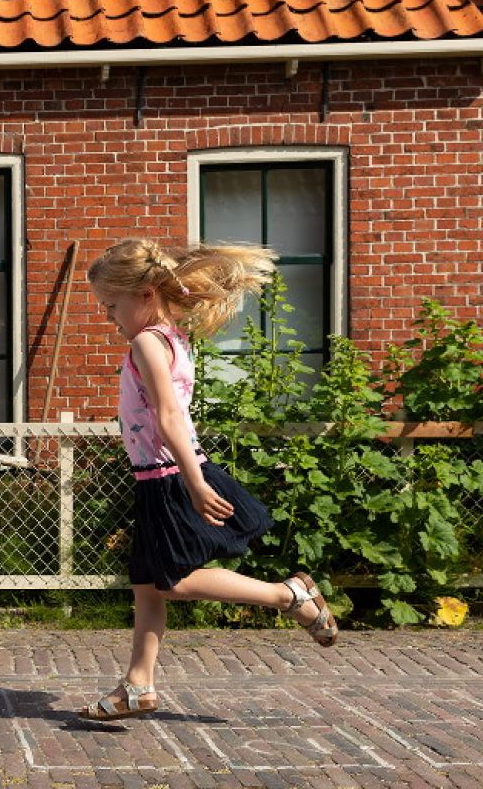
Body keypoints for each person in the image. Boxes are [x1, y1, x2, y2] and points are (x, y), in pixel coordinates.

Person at [78, 238, 339, 723]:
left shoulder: (146, 342)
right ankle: (138, 685)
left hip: (171, 475)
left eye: (112, 306)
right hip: (163, 475)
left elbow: (170, 416)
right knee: (146, 585)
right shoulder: (170, 337)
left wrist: (195, 484)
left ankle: (289, 595)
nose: (109, 317)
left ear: (145, 295)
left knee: (170, 582)